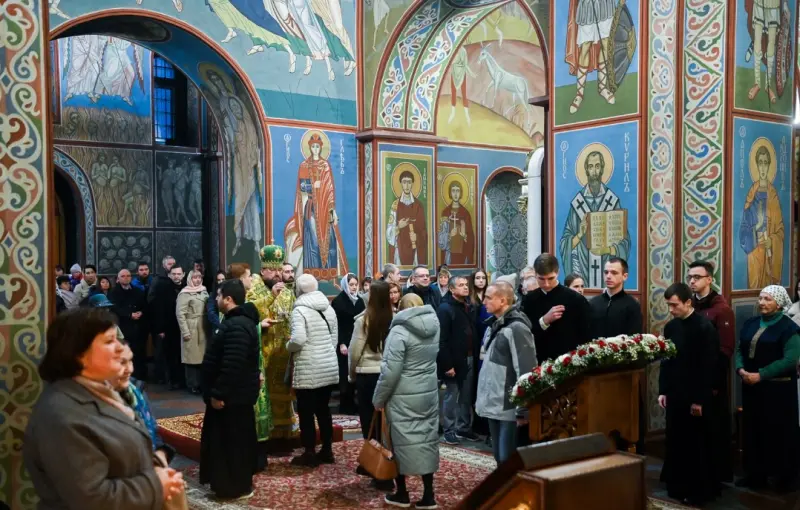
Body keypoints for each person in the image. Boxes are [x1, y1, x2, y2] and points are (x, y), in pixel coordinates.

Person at [24, 308, 185, 508]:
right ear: (79, 354)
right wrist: (156, 485)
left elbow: (120, 453)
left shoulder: (101, 391)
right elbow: (90, 498)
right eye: (109, 341)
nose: (119, 348)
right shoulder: (61, 415)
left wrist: (156, 463)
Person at [373, 294, 440, 509]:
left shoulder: (399, 331)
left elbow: (390, 372)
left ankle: (402, 493)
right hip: (427, 392)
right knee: (426, 440)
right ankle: (428, 494)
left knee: (397, 442)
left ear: (400, 309)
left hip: (402, 395)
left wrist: (378, 398)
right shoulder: (434, 326)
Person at [658, 283, 719, 506]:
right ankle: (677, 486)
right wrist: (663, 390)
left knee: (696, 444)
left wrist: (699, 400)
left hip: (695, 395)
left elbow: (708, 366)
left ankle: (698, 491)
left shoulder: (704, 328)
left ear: (688, 302)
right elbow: (666, 361)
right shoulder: (671, 327)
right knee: (676, 441)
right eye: (668, 305)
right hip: (675, 394)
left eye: (675, 305)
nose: (671, 310)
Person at [735, 285, 800, 492]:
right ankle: (755, 475)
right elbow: (740, 349)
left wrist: (761, 374)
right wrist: (741, 369)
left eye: (768, 299)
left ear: (779, 304)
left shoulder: (789, 328)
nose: (762, 302)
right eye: (761, 298)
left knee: (777, 433)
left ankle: (782, 478)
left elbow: (790, 360)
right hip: (752, 388)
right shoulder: (751, 323)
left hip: (778, 391)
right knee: (753, 430)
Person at [200, 279, 260, 500]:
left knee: (233, 444)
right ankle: (228, 484)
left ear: (228, 299)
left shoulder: (237, 325)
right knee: (229, 442)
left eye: (218, 295)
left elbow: (233, 364)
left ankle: (234, 486)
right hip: (233, 396)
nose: (216, 299)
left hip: (232, 398)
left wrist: (218, 393)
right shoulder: (234, 322)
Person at [476, 283, 537, 464]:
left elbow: (526, 369)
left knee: (507, 459)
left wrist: (523, 409)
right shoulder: (493, 324)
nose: (484, 302)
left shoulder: (517, 328)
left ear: (503, 301)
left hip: (508, 404)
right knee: (498, 456)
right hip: (493, 400)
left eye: (488, 298)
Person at [688, 260, 736, 485]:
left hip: (712, 377)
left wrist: (714, 383)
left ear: (709, 279)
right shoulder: (690, 305)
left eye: (697, 277)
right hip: (691, 376)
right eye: (690, 277)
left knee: (713, 426)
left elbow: (725, 350)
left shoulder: (721, 309)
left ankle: (715, 476)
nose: (692, 281)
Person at [287, 274, 339, 466]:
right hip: (327, 365)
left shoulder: (299, 310)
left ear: (299, 290)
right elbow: (334, 339)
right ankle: (327, 450)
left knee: (306, 412)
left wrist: (288, 346)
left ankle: (309, 452)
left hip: (308, 367)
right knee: (324, 410)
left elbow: (298, 340)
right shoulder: (328, 308)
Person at [348, 280, 395, 491]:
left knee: (369, 420)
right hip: (388, 373)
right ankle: (385, 463)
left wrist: (352, 374)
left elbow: (354, 351)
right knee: (386, 422)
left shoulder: (364, 320)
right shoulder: (395, 318)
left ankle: (376, 466)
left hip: (367, 374)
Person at [229, 262, 274, 470]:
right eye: (248, 276)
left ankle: (259, 455)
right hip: (245, 365)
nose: (252, 279)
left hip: (255, 361)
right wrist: (258, 326)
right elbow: (236, 328)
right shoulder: (232, 301)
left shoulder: (245, 299)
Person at [257, 245, 299, 440]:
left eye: (278, 269)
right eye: (272, 270)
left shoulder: (288, 292)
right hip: (263, 350)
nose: (276, 273)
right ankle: (267, 431)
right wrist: (271, 296)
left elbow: (291, 315)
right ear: (262, 270)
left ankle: (285, 431)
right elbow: (252, 312)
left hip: (283, 350)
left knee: (283, 389)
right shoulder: (255, 290)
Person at [113, 342, 175, 467]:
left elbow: (153, 431)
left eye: (130, 361)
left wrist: (160, 454)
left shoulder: (136, 390)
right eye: (121, 363)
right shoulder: (93, 402)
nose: (129, 369)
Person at [521, 253, 592, 362]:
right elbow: (524, 335)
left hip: (569, 363)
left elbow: (586, 336)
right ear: (535, 274)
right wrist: (544, 321)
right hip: (537, 362)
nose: (546, 284)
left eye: (550, 278)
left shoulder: (576, 299)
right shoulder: (529, 300)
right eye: (541, 279)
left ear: (558, 273)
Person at [438, 275, 479, 445]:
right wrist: (447, 365)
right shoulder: (445, 308)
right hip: (453, 361)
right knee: (452, 396)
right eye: (461, 285)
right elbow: (442, 340)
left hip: (469, 357)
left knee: (466, 396)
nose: (465, 287)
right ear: (451, 289)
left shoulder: (468, 306)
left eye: (466, 284)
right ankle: (449, 429)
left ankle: (463, 428)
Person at [331, 273, 365, 414]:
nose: (354, 287)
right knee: (345, 374)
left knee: (355, 372)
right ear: (345, 285)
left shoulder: (359, 300)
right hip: (344, 342)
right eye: (351, 285)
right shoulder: (338, 301)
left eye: (356, 285)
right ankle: (345, 405)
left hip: (357, 340)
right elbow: (336, 325)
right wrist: (341, 343)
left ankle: (354, 403)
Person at [109, 268, 148, 380]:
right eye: (123, 276)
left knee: (139, 353)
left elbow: (145, 305)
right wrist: (129, 315)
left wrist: (141, 312)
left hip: (138, 327)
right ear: (118, 279)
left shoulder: (138, 291)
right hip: (123, 326)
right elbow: (114, 308)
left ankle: (140, 376)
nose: (126, 278)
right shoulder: (113, 293)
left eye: (128, 276)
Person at [589, 257, 643, 337]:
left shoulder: (632, 305)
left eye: (614, 273)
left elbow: (634, 337)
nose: (608, 276)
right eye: (606, 272)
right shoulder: (593, 303)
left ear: (625, 276)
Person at [152, 265, 185, 389]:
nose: (176, 276)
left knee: (182, 354)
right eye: (174, 274)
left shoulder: (186, 287)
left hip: (183, 326)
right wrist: (160, 329)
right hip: (169, 327)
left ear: (183, 274)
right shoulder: (162, 288)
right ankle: (173, 380)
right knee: (170, 355)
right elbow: (158, 309)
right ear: (169, 275)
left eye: (179, 274)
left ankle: (183, 380)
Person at [177, 269, 209, 395]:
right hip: (192, 326)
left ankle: (201, 383)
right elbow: (180, 314)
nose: (197, 280)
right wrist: (185, 331)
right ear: (190, 279)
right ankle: (192, 384)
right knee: (191, 358)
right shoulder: (184, 294)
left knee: (202, 358)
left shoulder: (204, 291)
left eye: (199, 277)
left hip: (204, 326)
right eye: (195, 277)